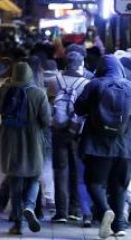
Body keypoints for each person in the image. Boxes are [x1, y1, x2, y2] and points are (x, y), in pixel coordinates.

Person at [74, 55, 131, 239]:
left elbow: (79, 108)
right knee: (119, 187)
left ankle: (105, 210)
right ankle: (119, 226)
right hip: (125, 148)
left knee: (94, 183)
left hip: (96, 146)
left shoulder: (95, 85)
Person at [0, 62, 51, 235]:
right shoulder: (39, 93)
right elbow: (46, 121)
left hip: (10, 142)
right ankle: (30, 206)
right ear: (30, 74)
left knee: (15, 182)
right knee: (34, 177)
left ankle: (18, 222)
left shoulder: (5, 90)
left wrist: (3, 89)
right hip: (33, 141)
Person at [45, 52, 90, 224]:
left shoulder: (54, 81)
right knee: (77, 172)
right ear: (81, 64)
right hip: (77, 133)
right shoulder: (87, 83)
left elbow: (49, 104)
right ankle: (75, 210)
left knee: (60, 170)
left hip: (57, 131)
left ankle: (61, 212)